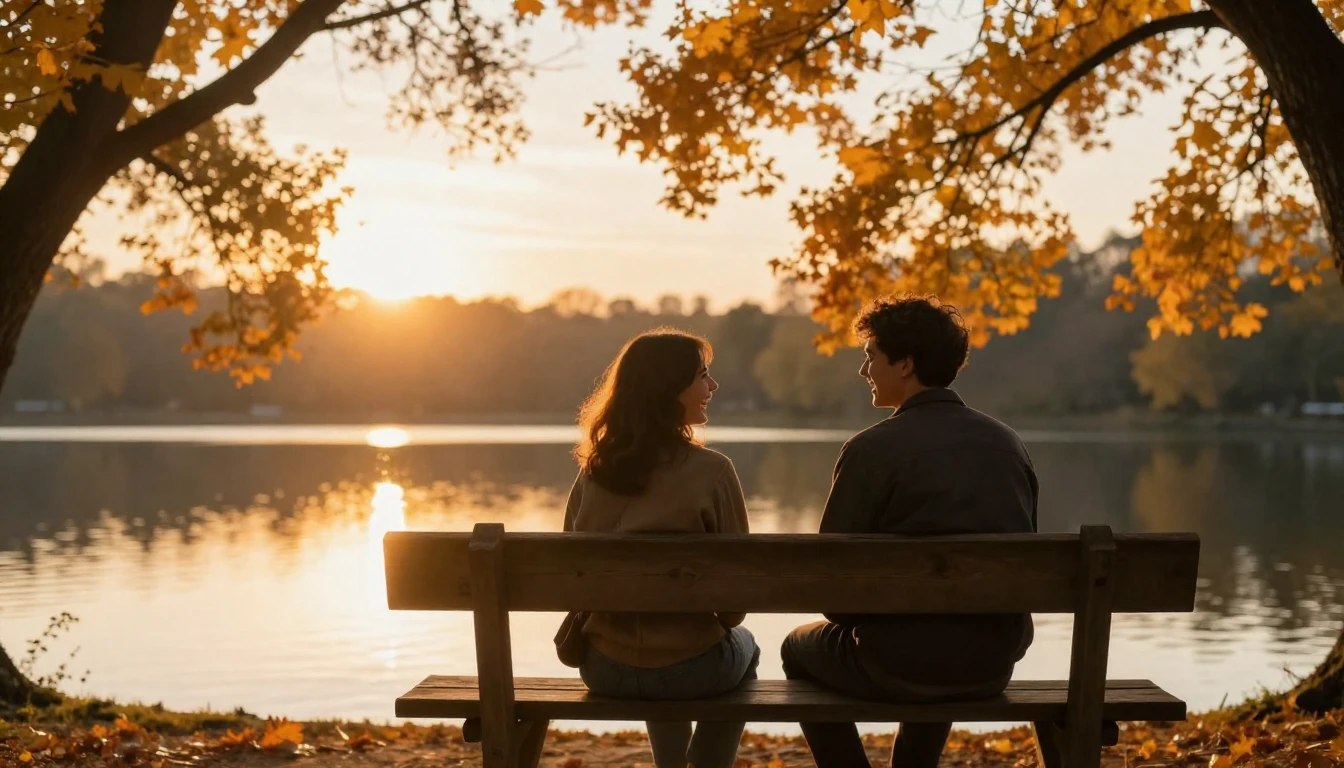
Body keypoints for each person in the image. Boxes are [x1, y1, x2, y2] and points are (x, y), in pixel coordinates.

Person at [781, 295, 1038, 768]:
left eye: (870, 356)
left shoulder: (871, 450)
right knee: (937, 630)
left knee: (797, 647)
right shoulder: (1007, 444)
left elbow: (832, 592)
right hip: (991, 662)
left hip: (895, 665)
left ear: (905, 364)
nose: (864, 370)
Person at [561, 328, 759, 768]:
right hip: (691, 669)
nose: (713, 386)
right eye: (703, 376)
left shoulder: (594, 471)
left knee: (669, 653)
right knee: (746, 649)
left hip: (604, 668)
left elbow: (569, 578)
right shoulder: (713, 471)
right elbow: (735, 605)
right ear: (668, 388)